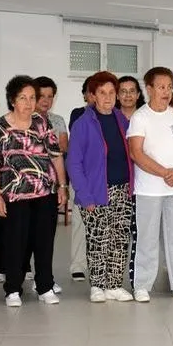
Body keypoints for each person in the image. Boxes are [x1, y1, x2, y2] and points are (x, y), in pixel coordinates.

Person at [0, 75, 68, 307]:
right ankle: (12, 288)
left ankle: (45, 286)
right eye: (23, 98)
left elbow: (56, 156)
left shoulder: (42, 123)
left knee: (44, 242)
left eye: (32, 98)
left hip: (44, 193)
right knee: (15, 243)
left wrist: (62, 185)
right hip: (14, 195)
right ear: (12, 100)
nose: (29, 103)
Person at [127, 67, 173, 302]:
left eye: (169, 86)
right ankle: (142, 285)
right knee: (147, 238)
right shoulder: (140, 117)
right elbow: (136, 153)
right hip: (149, 189)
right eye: (161, 87)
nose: (166, 91)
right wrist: (164, 172)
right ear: (149, 89)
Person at [66, 72, 136, 303]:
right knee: (98, 238)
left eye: (111, 93)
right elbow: (74, 163)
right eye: (102, 93)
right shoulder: (83, 123)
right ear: (92, 96)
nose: (107, 97)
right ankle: (97, 285)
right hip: (96, 191)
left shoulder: (122, 120)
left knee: (119, 238)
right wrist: (85, 197)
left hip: (123, 189)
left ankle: (114, 284)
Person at [67, 76, 96, 282]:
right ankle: (78, 264)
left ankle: (99, 264)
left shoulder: (115, 116)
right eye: (92, 92)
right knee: (80, 220)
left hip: (105, 178)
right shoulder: (79, 114)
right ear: (86, 94)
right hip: (81, 175)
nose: (96, 96)